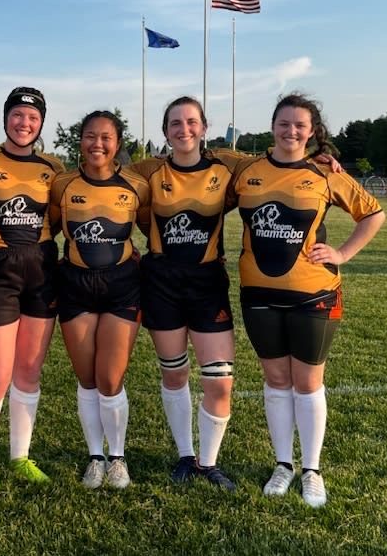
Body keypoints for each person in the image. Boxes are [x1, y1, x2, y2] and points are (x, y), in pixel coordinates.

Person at [233, 92, 384, 508]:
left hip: (314, 293)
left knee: (308, 382)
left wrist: (341, 254)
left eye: (300, 125)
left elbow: (373, 214)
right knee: (276, 381)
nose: (291, 131)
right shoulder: (247, 171)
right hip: (258, 293)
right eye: (284, 123)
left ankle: (311, 469)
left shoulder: (325, 174)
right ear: (272, 126)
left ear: (312, 131)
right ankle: (283, 464)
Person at [130, 97, 238, 490]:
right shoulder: (147, 170)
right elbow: (110, 179)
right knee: (174, 374)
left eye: (192, 122)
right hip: (161, 281)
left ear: (204, 127)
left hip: (207, 281)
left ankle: (209, 463)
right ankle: (185, 456)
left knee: (219, 380)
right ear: (165, 131)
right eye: (175, 123)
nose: (184, 129)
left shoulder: (227, 167)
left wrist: (322, 159)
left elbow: (275, 165)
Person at [0, 87, 65, 496]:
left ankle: (20, 456)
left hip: (41, 270)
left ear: (41, 123)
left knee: (28, 371)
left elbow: (58, 219)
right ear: (6, 117)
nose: (25, 123)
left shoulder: (52, 167)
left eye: (33, 117)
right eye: (18, 115)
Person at [48, 110, 150, 490]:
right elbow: (52, 229)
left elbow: (151, 229)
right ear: (81, 141)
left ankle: (118, 456)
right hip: (74, 284)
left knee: (110, 377)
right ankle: (95, 455)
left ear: (117, 143)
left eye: (106, 137)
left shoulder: (137, 186)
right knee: (87, 378)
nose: (97, 144)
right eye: (90, 136)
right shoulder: (63, 185)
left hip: (122, 284)